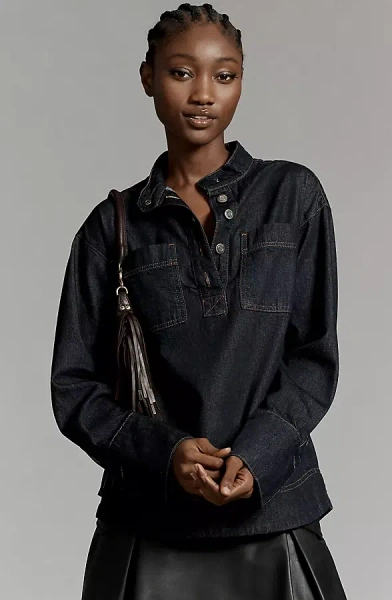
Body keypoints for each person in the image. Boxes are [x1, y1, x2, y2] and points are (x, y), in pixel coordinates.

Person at [50, 3, 348, 599]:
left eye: (224, 74)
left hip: (275, 513)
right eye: (181, 72)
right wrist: (167, 455)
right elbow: (74, 387)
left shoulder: (293, 197)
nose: (204, 93)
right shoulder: (110, 229)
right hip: (147, 527)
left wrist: (258, 454)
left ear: (241, 81)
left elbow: (314, 359)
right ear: (148, 78)